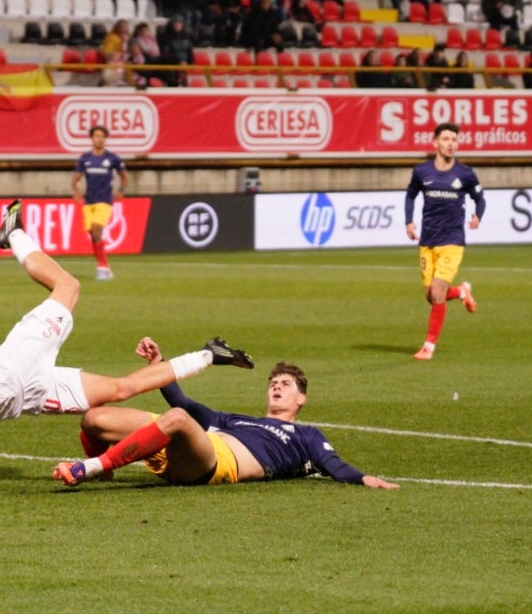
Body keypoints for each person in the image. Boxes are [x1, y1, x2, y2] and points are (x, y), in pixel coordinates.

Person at [0, 199, 253, 493]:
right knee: (121, 390)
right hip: (29, 396)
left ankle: (13, 233)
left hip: (16, 364)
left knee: (68, 285)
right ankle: (208, 354)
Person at [53, 337, 399, 489]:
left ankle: (89, 469)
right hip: (186, 444)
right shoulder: (236, 420)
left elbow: (333, 465)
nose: (277, 387)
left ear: (301, 399)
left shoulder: (306, 436)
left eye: (286, 385)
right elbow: (184, 403)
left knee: (175, 420)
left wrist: (362, 478)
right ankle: (108, 470)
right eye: (273, 382)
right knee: (94, 417)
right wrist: (158, 364)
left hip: (215, 465)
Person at [405, 122, 485, 360]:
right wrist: (408, 221)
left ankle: (428, 346)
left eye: (454, 140)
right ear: (436, 143)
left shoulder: (465, 174)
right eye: (446, 139)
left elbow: (480, 199)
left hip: (452, 240)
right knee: (431, 295)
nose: (451, 144)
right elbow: (410, 194)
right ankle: (461, 292)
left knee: (438, 291)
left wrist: (477, 216)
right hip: (428, 241)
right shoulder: (422, 172)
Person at [71, 125, 128, 281]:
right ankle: (104, 266)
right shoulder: (85, 159)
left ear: (105, 139)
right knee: (92, 234)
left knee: (97, 230)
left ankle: (102, 267)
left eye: (102, 136)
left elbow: (124, 176)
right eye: (96, 136)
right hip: (89, 201)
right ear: (92, 138)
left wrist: (121, 190)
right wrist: (76, 192)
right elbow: (75, 179)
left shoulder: (112, 158)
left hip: (104, 200)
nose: (99, 139)